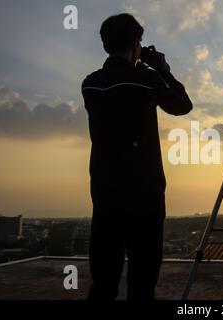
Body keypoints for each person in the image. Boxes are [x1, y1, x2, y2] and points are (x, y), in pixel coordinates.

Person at [81, 13, 192, 300]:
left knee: (104, 279)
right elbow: (182, 105)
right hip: (144, 193)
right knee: (142, 280)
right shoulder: (145, 79)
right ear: (135, 43)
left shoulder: (91, 84)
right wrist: (163, 69)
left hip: (106, 193)